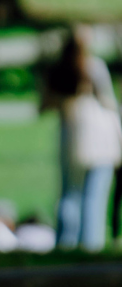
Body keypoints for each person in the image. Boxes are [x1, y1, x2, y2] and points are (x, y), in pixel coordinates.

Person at [41, 24, 120, 251]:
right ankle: (90, 245)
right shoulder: (94, 67)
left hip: (71, 137)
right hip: (99, 140)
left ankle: (64, 244)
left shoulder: (57, 71)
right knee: (93, 197)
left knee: (69, 194)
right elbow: (109, 103)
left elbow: (44, 104)